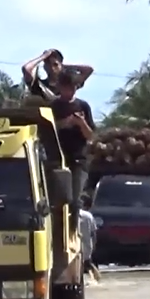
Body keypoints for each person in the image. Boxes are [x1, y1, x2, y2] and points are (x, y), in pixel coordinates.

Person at [51, 69, 95, 231]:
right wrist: (65, 123)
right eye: (67, 87)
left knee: (75, 201)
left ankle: (73, 234)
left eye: (74, 87)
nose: (70, 91)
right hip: (58, 159)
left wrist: (81, 123)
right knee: (59, 200)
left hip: (79, 160)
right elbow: (47, 130)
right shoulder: (53, 106)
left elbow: (91, 136)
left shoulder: (83, 106)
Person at [21, 49, 94, 102]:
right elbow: (26, 68)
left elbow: (88, 70)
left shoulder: (69, 84)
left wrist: (63, 65)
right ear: (44, 67)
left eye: (55, 65)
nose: (52, 68)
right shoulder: (38, 85)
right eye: (48, 64)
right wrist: (43, 57)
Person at [79, 194, 100, 281]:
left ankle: (94, 278)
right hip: (88, 245)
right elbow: (94, 233)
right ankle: (95, 278)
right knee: (87, 263)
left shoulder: (74, 216)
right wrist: (94, 244)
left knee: (86, 265)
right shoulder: (89, 216)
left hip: (78, 245)